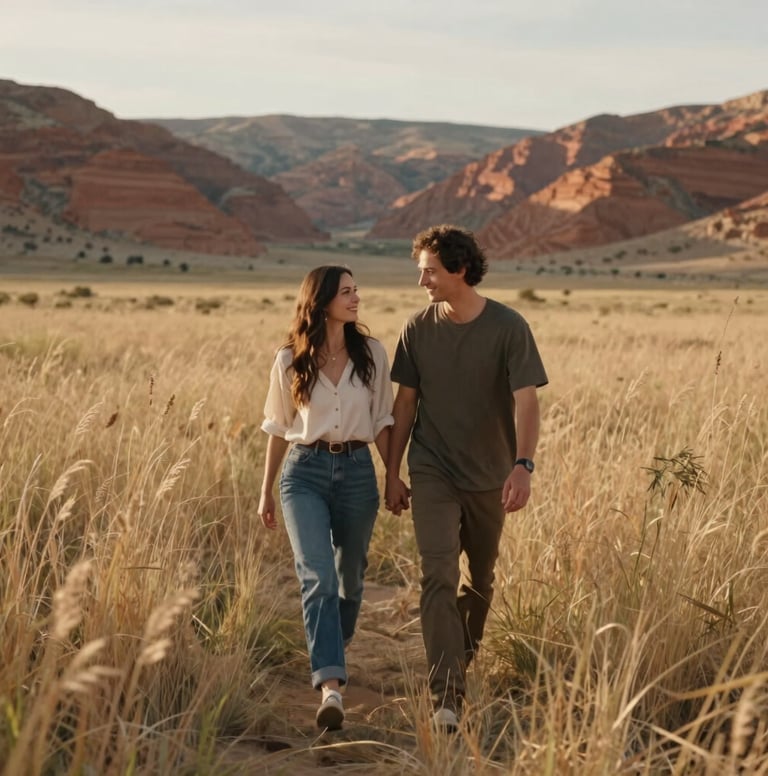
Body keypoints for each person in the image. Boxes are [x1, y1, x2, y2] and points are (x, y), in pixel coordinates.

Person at [385, 224, 548, 732]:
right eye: (420, 272)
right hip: (431, 467)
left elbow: (527, 400)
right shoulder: (416, 329)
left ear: (459, 269)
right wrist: (391, 471)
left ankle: (459, 660)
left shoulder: (508, 326)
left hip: (490, 475)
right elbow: (405, 404)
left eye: (430, 271)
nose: (423, 282)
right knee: (438, 574)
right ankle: (446, 696)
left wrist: (523, 465)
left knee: (480, 581)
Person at [258, 265, 394, 731]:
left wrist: (394, 475)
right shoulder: (288, 359)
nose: (356, 299)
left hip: (358, 471)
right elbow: (277, 428)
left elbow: (382, 422)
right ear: (321, 302)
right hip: (304, 473)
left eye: (357, 290)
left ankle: (333, 642)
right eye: (346, 292)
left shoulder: (372, 353)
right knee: (317, 578)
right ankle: (330, 685)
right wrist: (267, 492)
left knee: (350, 579)